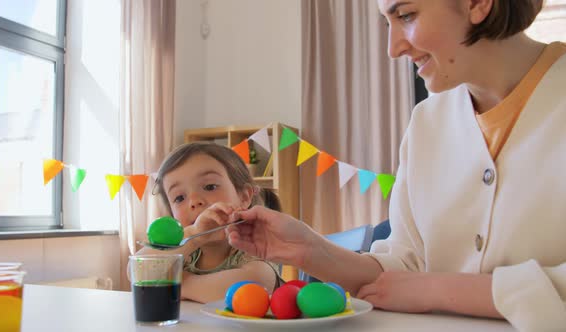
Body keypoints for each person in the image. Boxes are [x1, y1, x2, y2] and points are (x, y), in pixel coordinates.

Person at [223, 1, 566, 330]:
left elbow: (417, 285)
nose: (393, 48)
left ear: (477, 3)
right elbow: (404, 268)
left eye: (406, 15)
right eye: (388, 23)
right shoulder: (427, 122)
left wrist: (441, 290)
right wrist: (308, 249)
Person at [137, 142, 282, 303]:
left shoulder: (254, 245)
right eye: (179, 198)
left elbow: (253, 285)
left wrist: (177, 283)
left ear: (244, 197)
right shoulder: (185, 251)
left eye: (210, 186)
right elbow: (138, 269)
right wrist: (193, 234)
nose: (194, 201)